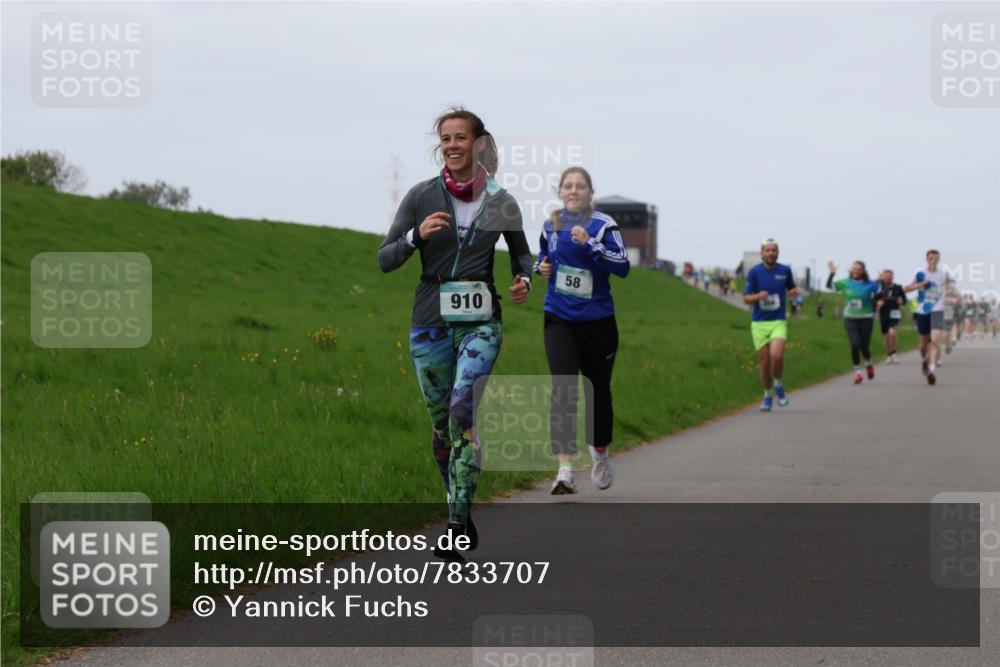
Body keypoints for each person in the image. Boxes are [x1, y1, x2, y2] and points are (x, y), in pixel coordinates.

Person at [378, 108, 533, 560]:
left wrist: (524, 280)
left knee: (462, 411)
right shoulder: (421, 196)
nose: (452, 145)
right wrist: (415, 237)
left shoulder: (502, 201)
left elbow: (522, 255)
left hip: (481, 322)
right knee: (441, 429)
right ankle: (459, 508)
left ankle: (454, 524)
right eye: (445, 138)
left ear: (479, 143)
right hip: (429, 321)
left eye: (460, 137)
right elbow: (385, 259)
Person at [534, 167, 629, 494]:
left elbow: (623, 265)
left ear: (590, 192)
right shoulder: (551, 224)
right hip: (559, 318)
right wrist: (541, 267)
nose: (573, 191)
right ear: (560, 191)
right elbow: (543, 258)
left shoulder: (603, 225)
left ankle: (599, 452)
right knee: (563, 389)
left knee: (598, 392)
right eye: (568, 186)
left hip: (598, 323)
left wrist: (590, 245)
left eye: (580, 186)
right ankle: (564, 469)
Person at [744, 239, 799, 411]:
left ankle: (778, 384)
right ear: (762, 253)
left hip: (778, 321)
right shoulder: (754, 272)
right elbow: (746, 298)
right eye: (767, 250)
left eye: (773, 250)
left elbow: (792, 289)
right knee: (765, 361)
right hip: (759, 323)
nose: (770, 253)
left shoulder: (785, 271)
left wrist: (793, 293)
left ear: (778, 253)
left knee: (776, 356)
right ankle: (767, 395)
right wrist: (757, 297)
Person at [827, 260, 881, 383]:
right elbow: (829, 286)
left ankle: (869, 364)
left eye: (859, 269)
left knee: (865, 347)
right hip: (850, 318)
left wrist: (878, 301)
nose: (856, 271)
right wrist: (832, 273)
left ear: (863, 271)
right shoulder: (845, 283)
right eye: (854, 269)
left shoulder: (870, 284)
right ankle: (857, 373)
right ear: (851, 270)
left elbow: (880, 292)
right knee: (855, 344)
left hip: (866, 318)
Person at [905, 249, 949, 386]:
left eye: (935, 258)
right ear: (927, 259)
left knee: (935, 342)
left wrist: (949, 298)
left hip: (937, 310)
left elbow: (947, 289)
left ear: (939, 259)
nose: (933, 260)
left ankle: (931, 371)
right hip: (923, 311)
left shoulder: (944, 274)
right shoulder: (920, 272)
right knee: (924, 344)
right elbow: (906, 289)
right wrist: (920, 285)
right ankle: (925, 360)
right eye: (930, 258)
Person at [875, 269, 907, 364]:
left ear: (893, 277)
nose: (889, 278)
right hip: (884, 313)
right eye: (887, 276)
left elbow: (905, 300)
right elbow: (874, 299)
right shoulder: (879, 288)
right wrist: (878, 302)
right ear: (884, 277)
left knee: (892, 333)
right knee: (886, 336)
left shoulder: (898, 287)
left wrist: (902, 301)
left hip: (895, 313)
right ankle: (889, 355)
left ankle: (894, 354)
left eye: (890, 276)